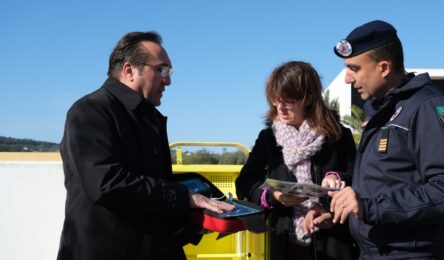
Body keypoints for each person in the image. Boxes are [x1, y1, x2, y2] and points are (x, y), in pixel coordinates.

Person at [57, 31, 234, 260]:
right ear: (130, 70)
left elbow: (152, 194)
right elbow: (105, 183)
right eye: (162, 70)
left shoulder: (149, 117)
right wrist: (184, 197)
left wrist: (194, 220)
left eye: (169, 71)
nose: (168, 80)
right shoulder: (90, 111)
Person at [329, 20, 444, 259]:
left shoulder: (428, 108)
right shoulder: (383, 110)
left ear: (384, 68)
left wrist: (369, 207)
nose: (347, 79)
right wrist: (342, 202)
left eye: (354, 68)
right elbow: (386, 180)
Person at [235, 61, 359, 260]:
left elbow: (359, 179)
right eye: (276, 100)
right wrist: (273, 197)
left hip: (335, 243)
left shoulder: (339, 136)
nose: (280, 108)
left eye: (288, 101)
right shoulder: (268, 138)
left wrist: (336, 180)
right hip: (286, 242)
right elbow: (244, 183)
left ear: (309, 98)